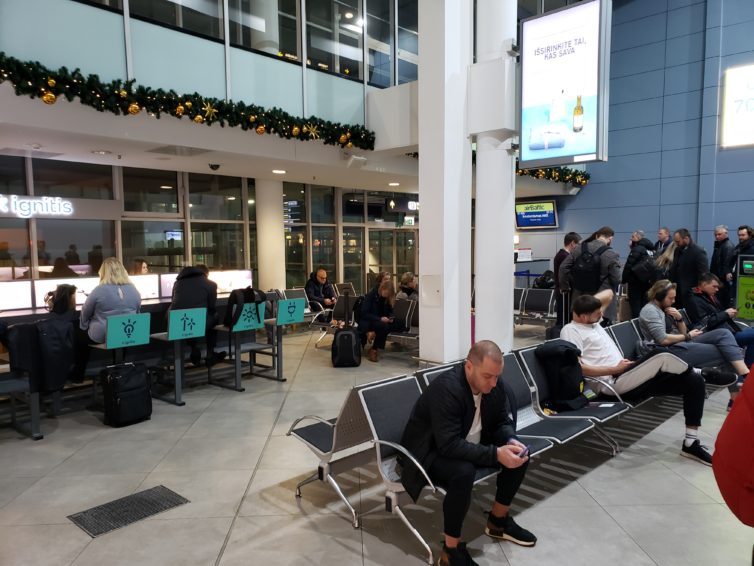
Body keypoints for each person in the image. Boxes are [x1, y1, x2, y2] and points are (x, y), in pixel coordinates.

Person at [399, 341, 536, 566]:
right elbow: (448, 445)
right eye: (488, 376)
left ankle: (498, 521)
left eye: (497, 376)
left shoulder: (494, 383)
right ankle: (451, 552)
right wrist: (495, 454)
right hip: (427, 451)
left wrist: (511, 440)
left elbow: (502, 421)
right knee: (463, 472)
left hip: (467, 440)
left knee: (518, 454)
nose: (493, 383)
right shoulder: (448, 389)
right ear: (469, 367)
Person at [561, 293, 733, 466]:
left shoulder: (592, 322)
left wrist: (586, 303)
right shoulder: (571, 331)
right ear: (583, 316)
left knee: (693, 382)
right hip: (612, 384)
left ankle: (690, 443)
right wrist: (615, 368)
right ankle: (702, 372)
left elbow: (609, 294)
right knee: (660, 354)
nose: (601, 315)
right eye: (597, 313)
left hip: (627, 373)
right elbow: (579, 368)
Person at [638, 279, 748, 385]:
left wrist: (679, 319)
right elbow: (663, 340)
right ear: (659, 296)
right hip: (669, 352)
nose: (673, 301)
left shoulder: (664, 308)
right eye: (670, 298)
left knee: (724, 333)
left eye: (674, 298)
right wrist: (688, 336)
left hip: (681, 344)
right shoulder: (650, 311)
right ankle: (742, 383)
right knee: (726, 351)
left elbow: (683, 332)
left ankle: (743, 375)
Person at [686, 273, 753, 408]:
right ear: (704, 284)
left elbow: (716, 317)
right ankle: (746, 375)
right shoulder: (694, 299)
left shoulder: (709, 297)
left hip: (727, 333)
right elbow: (706, 323)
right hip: (717, 336)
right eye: (714, 286)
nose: (717, 289)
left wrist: (728, 314)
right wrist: (725, 314)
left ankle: (745, 377)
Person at [73, 257, 141, 381]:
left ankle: (78, 374)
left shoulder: (99, 290)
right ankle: (119, 371)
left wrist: (84, 326)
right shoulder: (134, 289)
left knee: (79, 337)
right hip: (128, 334)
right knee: (121, 337)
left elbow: (85, 312)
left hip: (102, 335)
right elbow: (137, 311)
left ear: (103, 272)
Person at [558, 226, 621, 322]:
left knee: (578, 330)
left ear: (597, 236)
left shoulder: (578, 249)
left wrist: (565, 286)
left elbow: (563, 268)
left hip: (579, 300)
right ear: (610, 238)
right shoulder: (612, 254)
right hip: (601, 303)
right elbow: (617, 279)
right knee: (599, 333)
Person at [170, 264, 225, 367]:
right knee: (214, 316)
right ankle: (210, 353)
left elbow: (173, 301)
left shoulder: (177, 283)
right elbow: (212, 306)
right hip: (198, 323)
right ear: (205, 274)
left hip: (177, 324)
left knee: (188, 319)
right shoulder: (211, 284)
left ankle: (193, 348)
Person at [359, 280, 405, 362]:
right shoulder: (371, 295)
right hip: (370, 321)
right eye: (386, 293)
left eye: (388, 294)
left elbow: (390, 311)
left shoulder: (387, 298)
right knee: (384, 327)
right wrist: (380, 319)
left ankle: (373, 333)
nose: (386, 295)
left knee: (401, 324)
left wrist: (391, 317)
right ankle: (374, 349)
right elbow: (364, 313)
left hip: (382, 321)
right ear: (382, 288)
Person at [669, 228, 707, 308]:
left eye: (678, 241)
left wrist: (697, 291)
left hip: (690, 292)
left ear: (686, 238)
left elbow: (703, 274)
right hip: (677, 290)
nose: (676, 243)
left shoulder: (698, 251)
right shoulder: (677, 250)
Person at [621, 233, 655, 318]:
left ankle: (636, 326)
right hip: (647, 282)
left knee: (635, 305)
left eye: (633, 237)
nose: (631, 239)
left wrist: (624, 279)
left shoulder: (637, 248)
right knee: (644, 304)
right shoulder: (651, 250)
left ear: (638, 238)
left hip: (635, 281)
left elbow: (629, 265)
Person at [554, 232, 581, 327]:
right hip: (564, 293)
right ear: (573, 243)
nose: (579, 247)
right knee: (563, 319)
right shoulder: (564, 256)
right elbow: (565, 274)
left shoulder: (562, 254)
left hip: (564, 292)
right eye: (578, 244)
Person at [728, 225, 754, 307]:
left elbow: (749, 266)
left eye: (743, 235)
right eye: (739, 235)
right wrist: (728, 272)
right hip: (738, 281)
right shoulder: (739, 246)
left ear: (750, 235)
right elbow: (730, 261)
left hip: (748, 281)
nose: (740, 237)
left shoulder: (752, 247)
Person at [710, 225, 735, 308]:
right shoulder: (719, 245)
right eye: (715, 235)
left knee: (722, 303)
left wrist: (719, 279)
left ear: (726, 233)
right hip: (718, 280)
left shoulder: (727, 246)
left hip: (722, 281)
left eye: (719, 234)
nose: (717, 236)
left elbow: (727, 264)